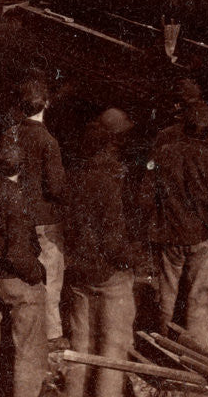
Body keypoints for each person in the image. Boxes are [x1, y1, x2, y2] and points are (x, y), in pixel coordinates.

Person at [147, 101, 208, 345]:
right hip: (202, 235)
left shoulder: (163, 153)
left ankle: (162, 342)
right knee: (200, 295)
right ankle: (198, 350)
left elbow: (147, 192)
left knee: (167, 292)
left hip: (169, 234)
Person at [64, 109, 138, 397]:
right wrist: (130, 259)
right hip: (109, 275)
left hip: (79, 273)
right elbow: (113, 241)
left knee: (80, 345)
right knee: (113, 347)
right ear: (106, 148)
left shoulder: (71, 180)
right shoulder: (107, 185)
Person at [0, 142, 48, 397]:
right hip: (17, 281)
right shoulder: (16, 198)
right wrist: (36, 274)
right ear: (21, 168)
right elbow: (18, 253)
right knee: (28, 351)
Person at [7, 77, 67, 346]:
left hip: (16, 214)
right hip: (43, 219)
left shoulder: (11, 134)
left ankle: (20, 325)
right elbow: (55, 187)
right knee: (50, 276)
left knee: (21, 272)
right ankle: (51, 333)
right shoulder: (48, 141)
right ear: (47, 103)